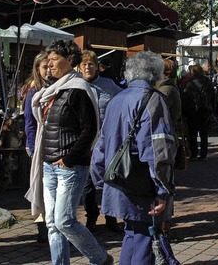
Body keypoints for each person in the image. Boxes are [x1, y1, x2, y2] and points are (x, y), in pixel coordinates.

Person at [30, 40, 112, 265]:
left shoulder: (78, 90)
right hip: (48, 165)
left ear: (70, 61)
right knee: (52, 224)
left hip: (70, 167)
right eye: (49, 60)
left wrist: (68, 159)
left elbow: (90, 130)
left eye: (55, 59)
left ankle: (100, 258)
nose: (50, 64)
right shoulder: (53, 90)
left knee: (65, 221)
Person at [91, 51, 175, 264]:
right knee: (144, 237)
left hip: (118, 179)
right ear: (155, 74)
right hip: (140, 183)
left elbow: (102, 143)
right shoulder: (154, 100)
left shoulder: (116, 99)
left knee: (132, 234)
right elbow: (157, 149)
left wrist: (100, 178)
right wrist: (162, 189)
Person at [78, 50, 123, 233]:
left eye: (91, 64)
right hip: (86, 143)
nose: (88, 67)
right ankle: (92, 216)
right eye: (84, 65)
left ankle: (111, 217)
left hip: (107, 143)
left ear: (97, 66)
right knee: (87, 185)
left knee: (109, 180)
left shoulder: (109, 85)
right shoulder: (77, 86)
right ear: (79, 68)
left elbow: (123, 102)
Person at [22, 52, 51, 244]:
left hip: (54, 144)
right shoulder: (33, 90)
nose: (48, 71)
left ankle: (51, 224)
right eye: (44, 67)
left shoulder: (57, 87)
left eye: (50, 66)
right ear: (37, 69)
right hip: (39, 144)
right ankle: (42, 226)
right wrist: (32, 146)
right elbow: (29, 122)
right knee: (39, 187)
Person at [156, 59, 183, 235]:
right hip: (169, 138)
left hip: (164, 140)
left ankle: (164, 221)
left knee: (163, 181)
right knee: (166, 180)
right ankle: (165, 218)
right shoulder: (169, 87)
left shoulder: (165, 90)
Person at [181, 64, 215, 161]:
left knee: (192, 133)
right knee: (204, 133)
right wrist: (212, 109)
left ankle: (194, 154)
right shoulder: (207, 81)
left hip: (192, 111)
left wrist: (184, 112)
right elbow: (213, 96)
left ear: (192, 72)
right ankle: (203, 154)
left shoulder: (189, 83)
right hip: (205, 110)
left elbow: (185, 98)